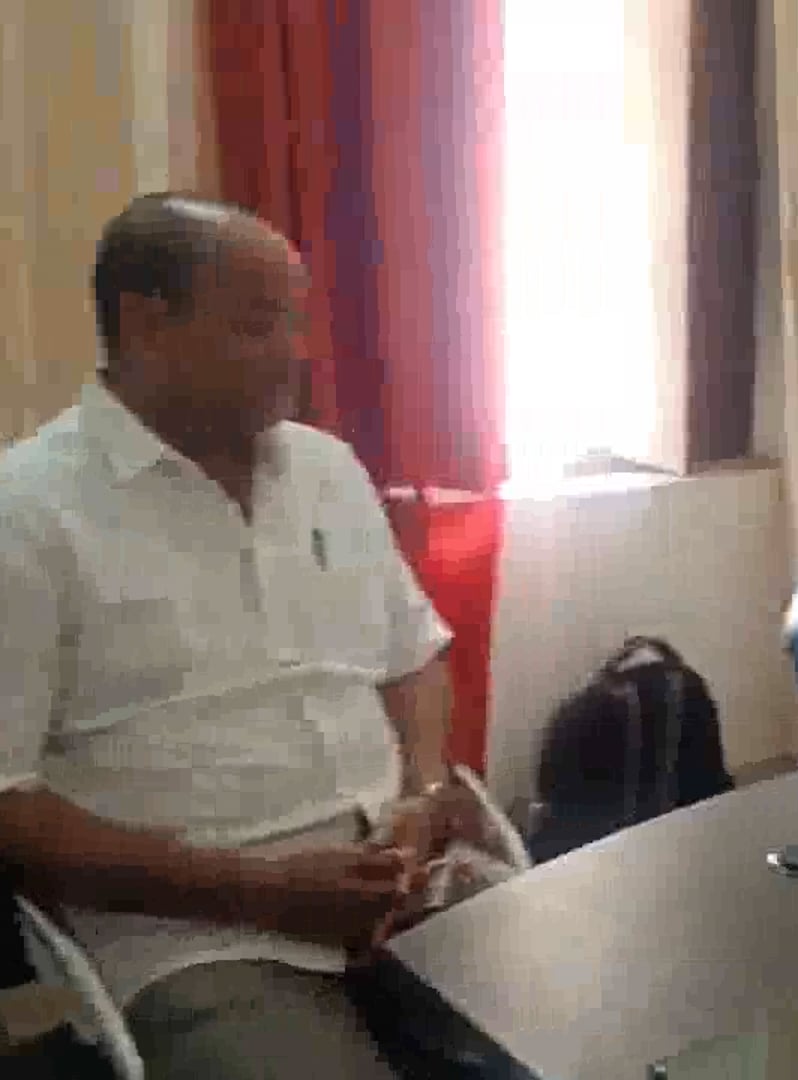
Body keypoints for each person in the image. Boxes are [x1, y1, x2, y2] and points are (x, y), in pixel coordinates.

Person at [0, 193, 486, 1079]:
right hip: (200, 937)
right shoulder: (27, 515)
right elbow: (8, 804)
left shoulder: (325, 469)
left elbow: (413, 658)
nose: (296, 354)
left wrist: (422, 795)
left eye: (296, 322)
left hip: (412, 886)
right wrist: (264, 892)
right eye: (261, 325)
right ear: (147, 325)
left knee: (608, 1031)